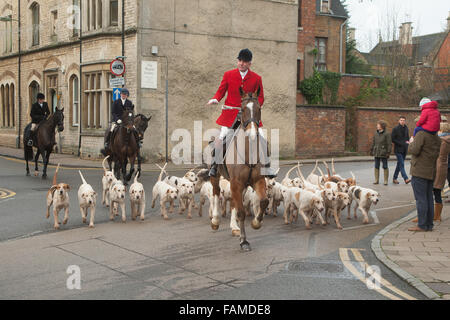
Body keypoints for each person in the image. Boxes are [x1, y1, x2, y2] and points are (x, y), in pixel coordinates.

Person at [207, 48, 276, 178]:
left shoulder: (256, 78)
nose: (241, 63)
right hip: (230, 114)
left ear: (249, 63)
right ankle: (214, 167)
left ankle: (267, 167)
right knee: (221, 138)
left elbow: (260, 97)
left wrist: (254, 107)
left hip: (249, 116)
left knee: (262, 139)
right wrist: (216, 98)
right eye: (239, 60)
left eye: (244, 62)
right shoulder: (228, 74)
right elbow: (221, 90)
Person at [408, 124, 442, 232]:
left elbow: (414, 150)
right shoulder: (436, 136)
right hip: (431, 171)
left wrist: (411, 142)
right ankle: (429, 224)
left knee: (421, 199)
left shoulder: (421, 134)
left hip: (419, 171)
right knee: (428, 199)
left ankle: (422, 225)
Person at [101, 88, 136, 156]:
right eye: (122, 94)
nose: (124, 95)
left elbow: (131, 112)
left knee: (134, 129)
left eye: (125, 94)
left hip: (127, 122)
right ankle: (107, 143)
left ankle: (138, 143)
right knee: (111, 129)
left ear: (127, 95)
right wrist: (117, 119)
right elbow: (113, 112)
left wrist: (131, 120)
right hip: (117, 120)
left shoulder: (129, 103)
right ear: (120, 94)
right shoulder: (116, 102)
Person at [370, 120, 392, 185]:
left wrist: (388, 152)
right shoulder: (375, 133)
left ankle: (385, 180)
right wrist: (371, 150)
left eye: (378, 125)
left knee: (385, 166)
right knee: (376, 166)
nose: (377, 126)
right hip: (376, 151)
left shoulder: (387, 134)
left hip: (384, 152)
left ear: (382, 126)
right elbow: (373, 142)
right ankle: (376, 180)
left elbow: (389, 144)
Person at [391, 116, 411, 184]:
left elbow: (407, 137)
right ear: (399, 121)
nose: (402, 121)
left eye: (403, 120)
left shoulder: (406, 128)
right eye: (401, 120)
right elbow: (393, 139)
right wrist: (401, 143)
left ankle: (394, 178)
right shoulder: (395, 129)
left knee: (399, 164)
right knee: (401, 164)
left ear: (405, 121)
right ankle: (406, 178)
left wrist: (407, 143)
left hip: (404, 149)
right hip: (398, 149)